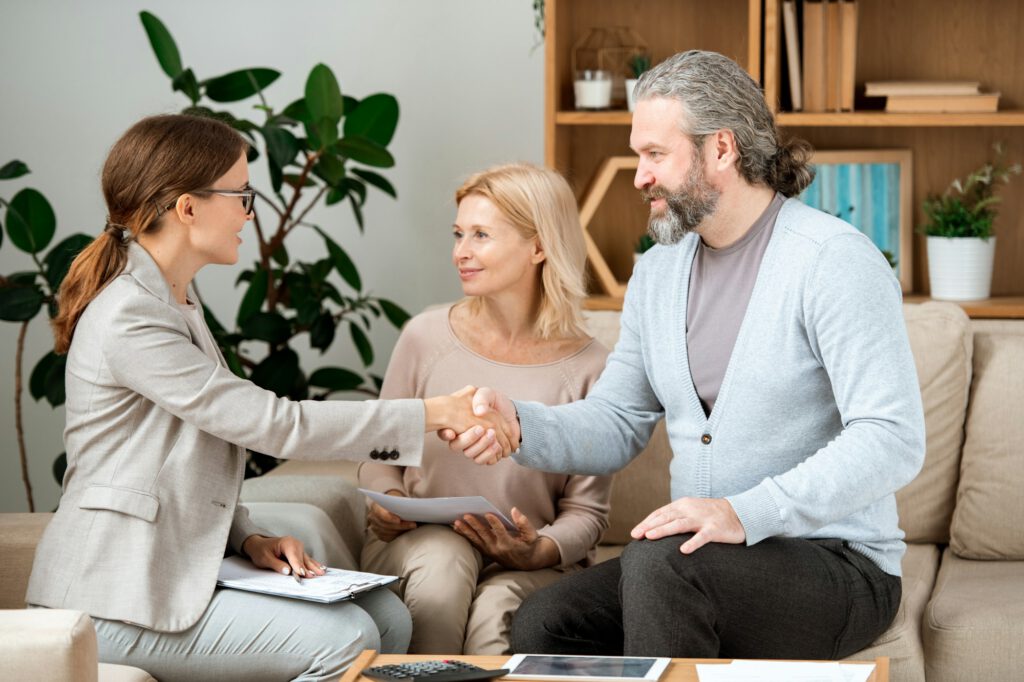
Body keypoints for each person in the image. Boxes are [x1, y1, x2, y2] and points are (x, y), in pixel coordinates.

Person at [449, 51, 926, 660]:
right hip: (704, 559)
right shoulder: (659, 272)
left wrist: (741, 512)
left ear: (720, 149)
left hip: (837, 563)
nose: (639, 176)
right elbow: (620, 419)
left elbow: (891, 437)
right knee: (546, 619)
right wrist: (520, 423)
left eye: (655, 154)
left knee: (660, 566)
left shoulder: (832, 262)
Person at [26, 114, 512, 682]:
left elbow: (183, 452)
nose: (249, 213)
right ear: (188, 208)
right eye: (241, 194)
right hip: (111, 599)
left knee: (385, 616)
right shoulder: (132, 316)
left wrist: (249, 538)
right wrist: (434, 413)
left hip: (158, 580)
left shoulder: (171, 298)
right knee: (348, 638)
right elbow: (272, 424)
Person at [359, 162, 612, 654]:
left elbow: (586, 512)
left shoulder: (592, 367)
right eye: (458, 234)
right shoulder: (423, 336)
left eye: (480, 235)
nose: (461, 252)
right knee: (443, 565)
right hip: (419, 545)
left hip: (530, 560)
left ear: (539, 247)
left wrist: (537, 551)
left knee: (497, 608)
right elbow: (378, 452)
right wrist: (383, 501)